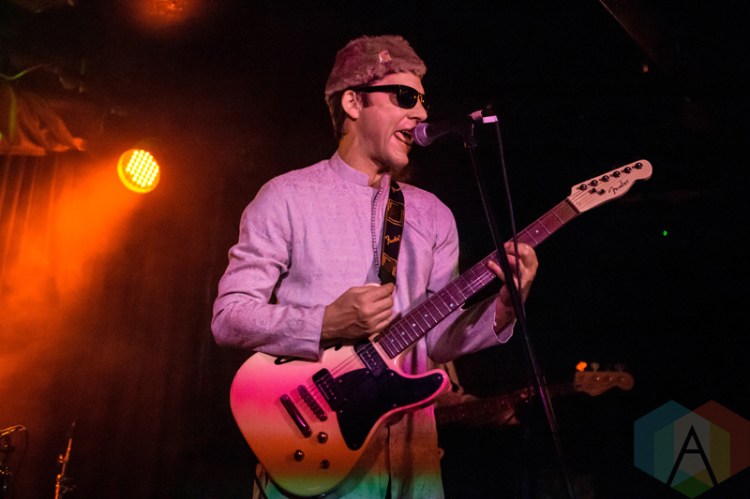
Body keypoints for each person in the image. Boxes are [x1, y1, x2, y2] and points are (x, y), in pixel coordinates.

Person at [211, 34, 539, 498]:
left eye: (423, 101)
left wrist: (503, 308)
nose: (421, 114)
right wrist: (324, 322)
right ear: (353, 102)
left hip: (413, 469)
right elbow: (229, 317)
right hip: (310, 461)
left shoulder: (434, 215)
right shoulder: (286, 197)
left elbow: (437, 342)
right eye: (405, 97)